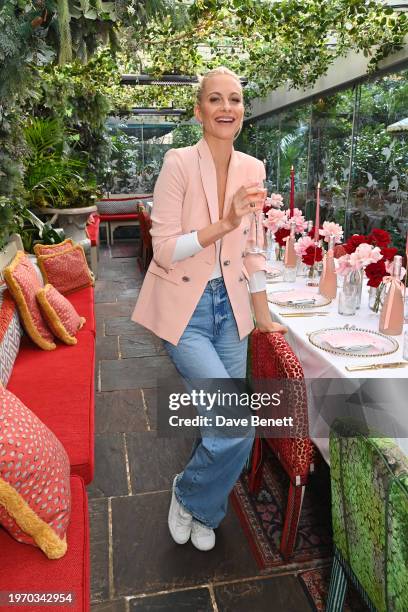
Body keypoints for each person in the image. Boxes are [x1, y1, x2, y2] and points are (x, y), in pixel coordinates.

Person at [132, 66, 286, 551]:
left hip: (231, 313)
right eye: (215, 99)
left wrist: (261, 315)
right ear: (199, 111)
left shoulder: (253, 168)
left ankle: (199, 505)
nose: (226, 108)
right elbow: (163, 248)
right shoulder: (178, 162)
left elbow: (254, 248)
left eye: (235, 99)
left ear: (243, 112)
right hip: (187, 310)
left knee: (219, 422)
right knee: (236, 423)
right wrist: (223, 224)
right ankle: (192, 495)